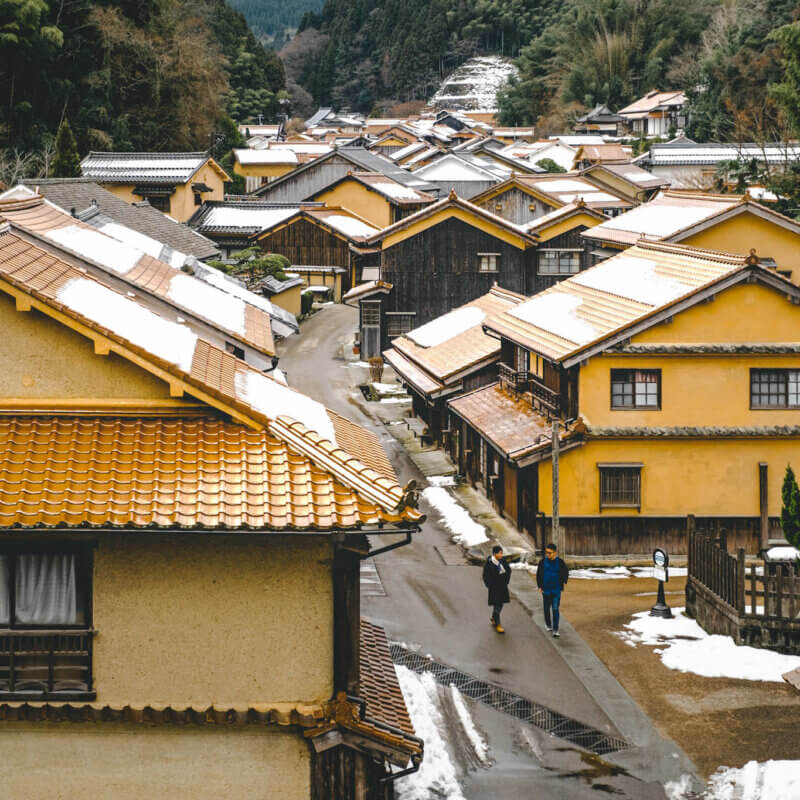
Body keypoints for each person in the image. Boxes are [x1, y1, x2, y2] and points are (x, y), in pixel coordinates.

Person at [536, 542, 569, 638]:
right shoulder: (542, 562)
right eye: (546, 552)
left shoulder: (560, 562)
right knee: (546, 608)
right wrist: (539, 586)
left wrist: (564, 581)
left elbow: (565, 571)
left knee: (555, 609)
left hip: (556, 590)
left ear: (555, 553)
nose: (547, 554)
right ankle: (548, 624)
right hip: (545, 590)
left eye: (549, 553)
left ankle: (555, 629)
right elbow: (539, 574)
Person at [483, 545, 511, 633]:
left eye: (502, 553)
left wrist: (506, 581)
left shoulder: (503, 561)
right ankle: (498, 624)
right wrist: (489, 585)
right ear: (495, 554)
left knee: (501, 604)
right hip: (494, 587)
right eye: (499, 553)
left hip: (502, 586)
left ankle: (493, 617)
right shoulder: (490, 563)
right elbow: (485, 575)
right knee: (497, 605)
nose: (501, 555)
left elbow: (508, 570)